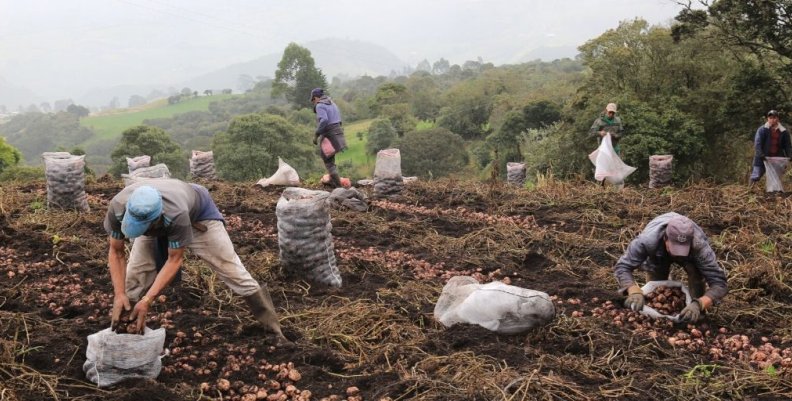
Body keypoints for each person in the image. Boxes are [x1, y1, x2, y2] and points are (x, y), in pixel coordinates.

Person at [105, 178, 289, 344]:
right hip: (164, 212)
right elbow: (116, 252)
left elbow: (174, 259)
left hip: (199, 217)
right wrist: (119, 293)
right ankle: (124, 329)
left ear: (156, 219)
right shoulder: (119, 206)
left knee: (233, 270)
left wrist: (147, 300)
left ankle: (273, 330)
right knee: (136, 273)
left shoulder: (176, 215)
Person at [613, 212, 728, 323]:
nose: (677, 254)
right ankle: (654, 316)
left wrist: (700, 303)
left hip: (691, 258)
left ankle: (695, 313)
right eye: (674, 247)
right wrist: (633, 290)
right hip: (658, 253)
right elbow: (623, 266)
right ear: (665, 238)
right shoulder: (648, 241)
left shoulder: (699, 247)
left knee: (696, 274)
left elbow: (719, 283)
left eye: (682, 248)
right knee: (657, 283)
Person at [311, 88, 347, 188]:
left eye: (313, 100)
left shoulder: (320, 105)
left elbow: (324, 120)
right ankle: (332, 180)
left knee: (327, 159)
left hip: (329, 134)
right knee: (330, 157)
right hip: (338, 131)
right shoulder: (332, 103)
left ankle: (338, 186)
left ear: (316, 98)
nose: (313, 103)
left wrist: (316, 134)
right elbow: (339, 120)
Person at [749, 110, 792, 186]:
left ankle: (774, 195)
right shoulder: (762, 130)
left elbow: (787, 146)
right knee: (756, 175)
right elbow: (757, 143)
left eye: (774, 118)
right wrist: (761, 154)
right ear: (768, 119)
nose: (772, 120)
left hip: (776, 159)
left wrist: (790, 155)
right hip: (762, 158)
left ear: (778, 119)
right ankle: (749, 191)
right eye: (770, 118)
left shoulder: (784, 132)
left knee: (775, 179)